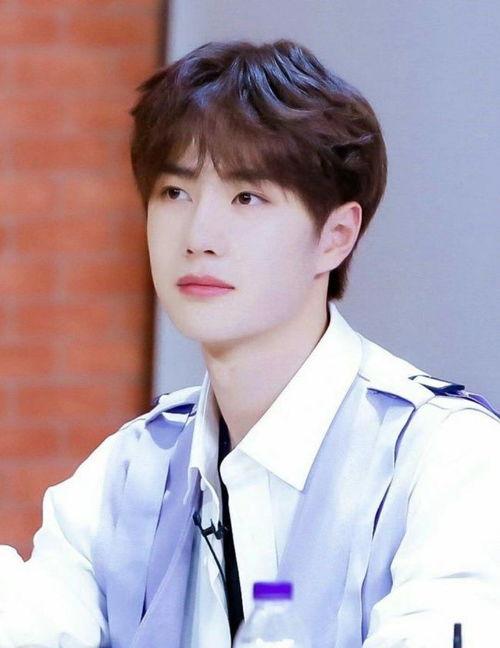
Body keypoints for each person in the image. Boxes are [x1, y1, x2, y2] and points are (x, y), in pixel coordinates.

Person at [1, 38, 499, 648]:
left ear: (335, 236)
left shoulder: (444, 457)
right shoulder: (133, 468)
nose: (199, 236)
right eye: (175, 193)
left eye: (247, 197)